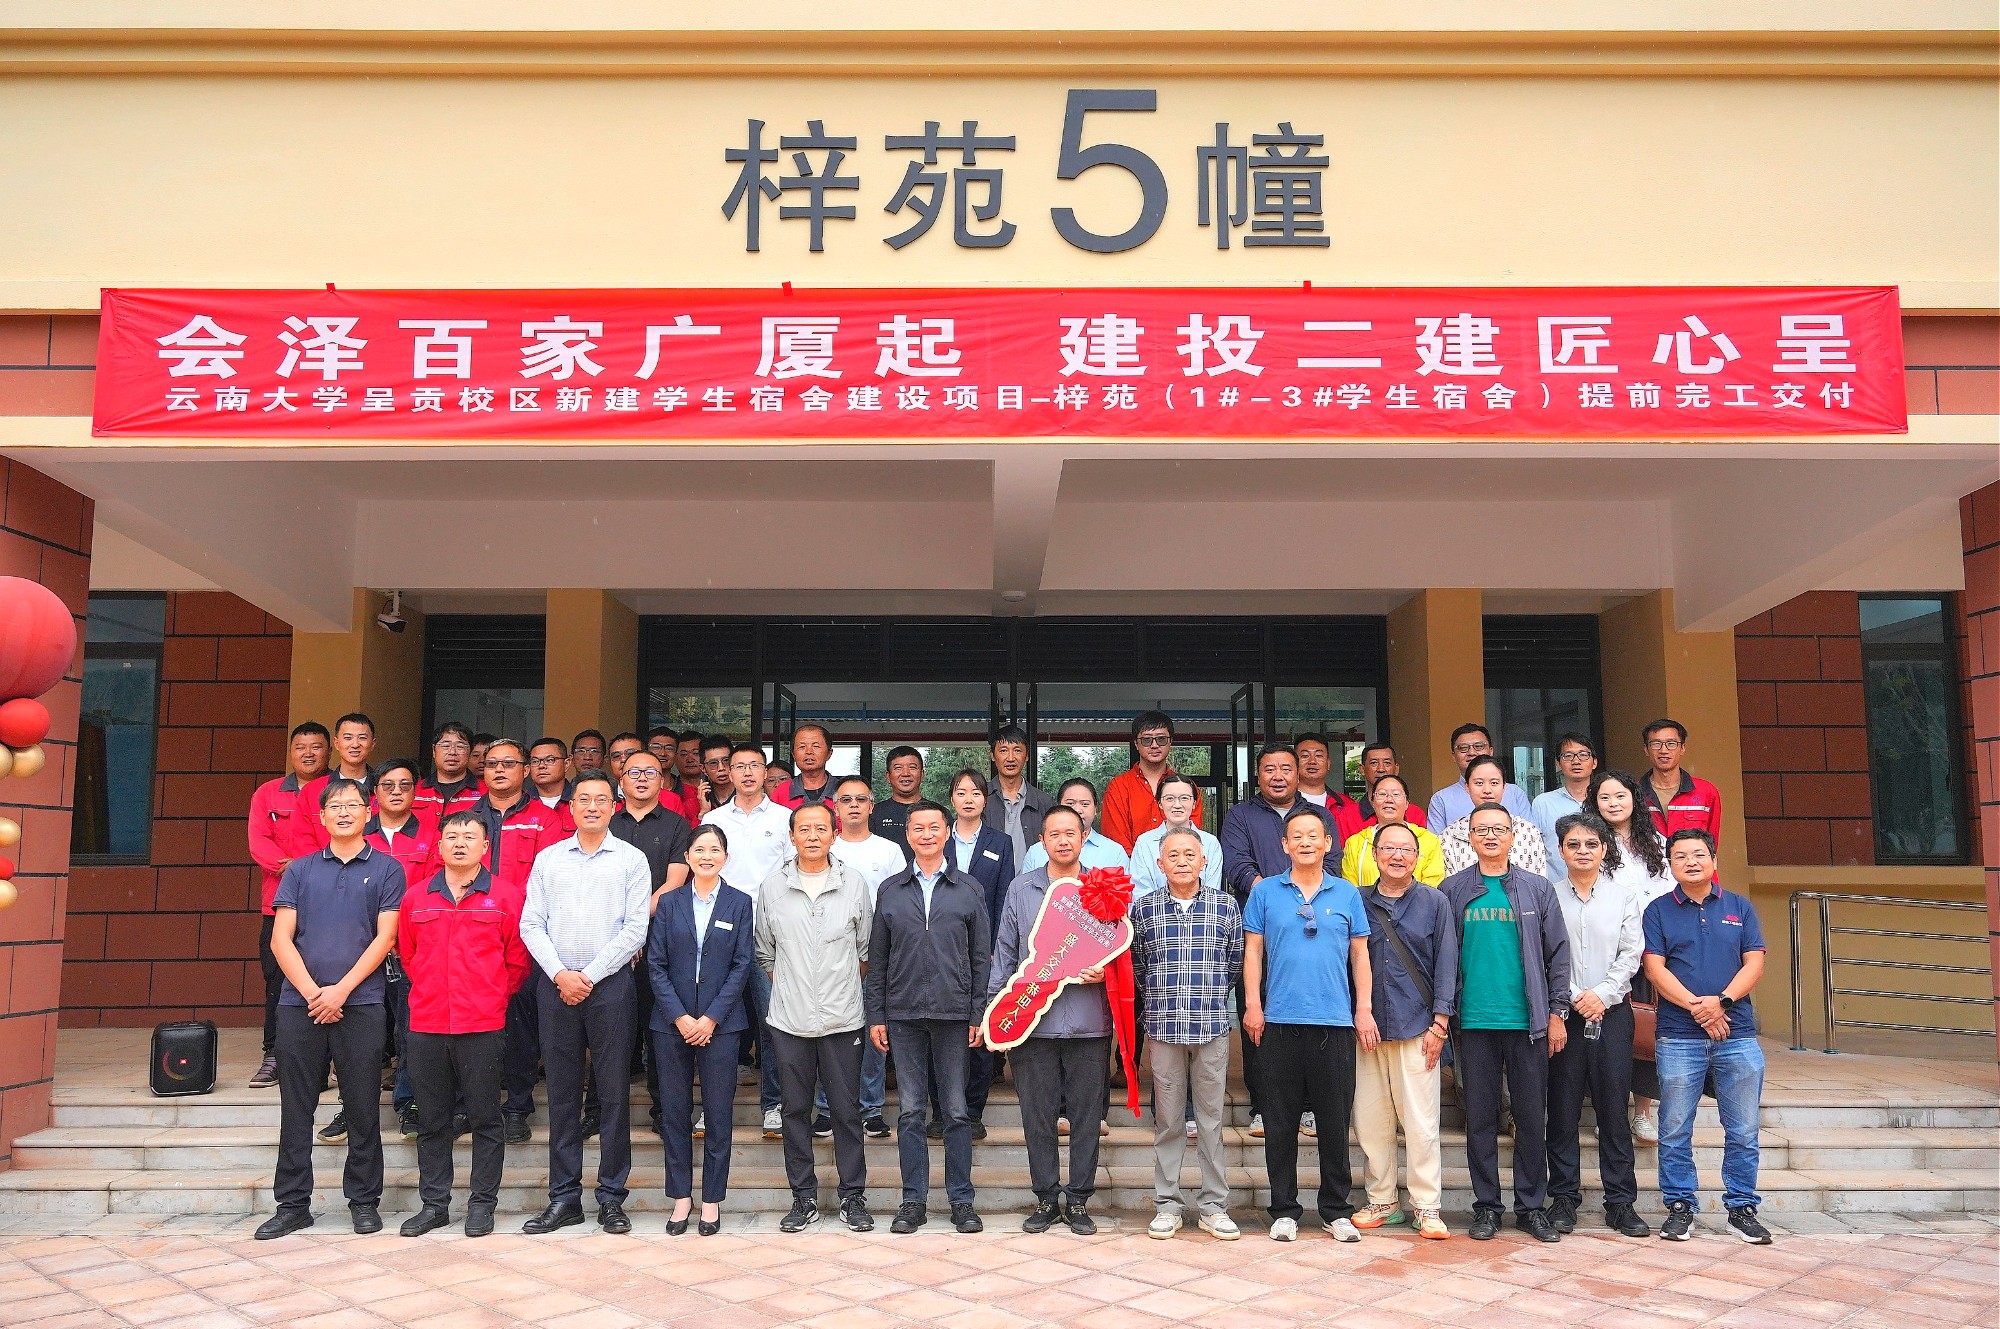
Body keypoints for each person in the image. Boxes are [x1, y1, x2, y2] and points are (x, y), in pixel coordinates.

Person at [255, 778, 405, 1240]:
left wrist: (340, 991)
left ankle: (364, 1201)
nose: (343, 812)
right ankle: (292, 1204)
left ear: (368, 813)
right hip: (298, 1005)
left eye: (352, 805)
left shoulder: (388, 869)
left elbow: (386, 937)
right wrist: (312, 993)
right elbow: (281, 939)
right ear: (321, 817)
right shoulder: (299, 870)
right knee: (296, 1107)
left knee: (362, 1104)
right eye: (334, 806)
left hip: (362, 1003)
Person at [518, 771, 653, 1236]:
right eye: (584, 800)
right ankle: (563, 1197)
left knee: (613, 1093)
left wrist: (589, 975)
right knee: (562, 1094)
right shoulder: (549, 859)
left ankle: (612, 1196)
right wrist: (561, 974)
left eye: (601, 799)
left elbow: (635, 929)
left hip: (610, 987)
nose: (592, 807)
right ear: (571, 807)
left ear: (614, 806)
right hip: (557, 986)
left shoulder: (632, 860)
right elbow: (531, 923)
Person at [395, 809, 532, 1239]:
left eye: (469, 836)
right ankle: (434, 1205)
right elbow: (408, 954)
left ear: (485, 846)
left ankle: (481, 1205)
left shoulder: (506, 896)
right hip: (427, 1022)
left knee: (485, 1118)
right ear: (439, 846)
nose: (459, 843)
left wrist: (490, 996)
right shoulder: (417, 897)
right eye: (451, 836)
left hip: (482, 1023)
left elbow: (517, 961)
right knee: (432, 1120)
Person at [1440, 803, 1572, 1243]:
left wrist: (1557, 1012)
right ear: (1470, 838)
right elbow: (1443, 957)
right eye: (1482, 829)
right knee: (1479, 1119)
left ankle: (1531, 1207)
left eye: (1499, 828)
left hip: (1527, 1022)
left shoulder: (1537, 888)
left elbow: (1557, 956)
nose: (1491, 835)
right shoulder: (1453, 889)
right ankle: (1486, 1207)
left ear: (1513, 836)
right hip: (1473, 1022)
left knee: (1531, 1118)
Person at [1242, 807, 1371, 1242]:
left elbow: (1360, 956)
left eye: (1313, 835)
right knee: (1280, 1122)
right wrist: (1253, 1005)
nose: (1305, 842)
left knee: (1334, 1122)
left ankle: (1336, 1209)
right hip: (1278, 1021)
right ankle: (1284, 1209)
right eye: (1296, 836)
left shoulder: (1347, 893)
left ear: (1328, 843)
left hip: (1334, 1022)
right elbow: (1253, 951)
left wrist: (1364, 1009)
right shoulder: (1265, 892)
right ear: (1284, 844)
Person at [866, 800, 990, 1234]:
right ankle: (913, 1201)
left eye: (934, 827)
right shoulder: (891, 889)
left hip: (954, 1013)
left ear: (946, 832)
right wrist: (876, 1014)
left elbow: (981, 958)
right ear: (907, 835)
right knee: (910, 1111)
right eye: (918, 828)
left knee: (955, 1110)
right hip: (903, 1015)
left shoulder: (968, 888)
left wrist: (978, 1012)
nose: (926, 834)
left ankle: (962, 1201)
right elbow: (878, 959)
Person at [990, 807, 1115, 1235]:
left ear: (1083, 838)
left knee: (1086, 1117)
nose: (1063, 841)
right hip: (1031, 1022)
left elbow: (1123, 950)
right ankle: (1045, 1196)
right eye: (1054, 834)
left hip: (1089, 1022)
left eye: (1070, 833)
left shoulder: (1103, 888)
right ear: (1041, 841)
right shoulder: (1021, 887)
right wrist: (995, 1012)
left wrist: (1107, 973)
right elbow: (1005, 952)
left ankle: (1078, 1199)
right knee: (1037, 1115)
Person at [1644, 828, 1771, 1244]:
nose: (1691, 862)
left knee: (1744, 1130)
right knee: (1674, 1127)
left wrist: (1723, 1002)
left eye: (1699, 854)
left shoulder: (1739, 907)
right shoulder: (1658, 910)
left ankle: (1742, 1208)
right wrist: (1700, 1008)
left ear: (1713, 860)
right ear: (1671, 865)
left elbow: (1754, 963)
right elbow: (1655, 970)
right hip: (1678, 1036)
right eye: (1681, 856)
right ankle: (1680, 1207)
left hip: (1738, 1034)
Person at [756, 802, 876, 1233]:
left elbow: (865, 950)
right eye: (803, 829)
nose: (812, 836)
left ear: (834, 834)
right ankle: (803, 1197)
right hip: (789, 1020)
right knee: (794, 1111)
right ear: (791, 837)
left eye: (820, 828)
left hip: (843, 1018)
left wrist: (836, 987)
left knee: (846, 1111)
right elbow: (765, 951)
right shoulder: (773, 886)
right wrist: (795, 986)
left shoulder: (854, 883)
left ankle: (853, 1196)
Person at [1130, 826, 1243, 1241]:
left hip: (1211, 1026)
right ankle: (1168, 1205)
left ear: (1204, 861)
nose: (1182, 861)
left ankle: (1214, 1206)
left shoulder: (1225, 906)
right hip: (1163, 1027)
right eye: (1173, 856)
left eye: (1189, 855)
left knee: (1210, 1121)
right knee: (1169, 1121)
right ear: (1160, 864)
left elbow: (1234, 963)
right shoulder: (1144, 909)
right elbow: (1139, 966)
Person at [1220, 743, 1335, 1138]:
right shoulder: (1241, 815)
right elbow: (1238, 865)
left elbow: (1331, 864)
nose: (1278, 775)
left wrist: (1299, 901)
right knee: (1258, 1016)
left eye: (1286, 767)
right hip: (1261, 929)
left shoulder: (1319, 815)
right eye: (1270, 769)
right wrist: (1278, 900)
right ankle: (1263, 1106)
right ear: (1258, 775)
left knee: (1309, 1016)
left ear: (1298, 773)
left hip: (1313, 933)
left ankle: (1309, 1106)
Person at [1545, 812, 1651, 1239]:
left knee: (1613, 1108)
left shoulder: (1624, 897)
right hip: (1563, 1015)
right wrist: (1575, 996)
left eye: (1591, 844)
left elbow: (1631, 953)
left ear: (1605, 849)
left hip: (1613, 1013)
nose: (1583, 851)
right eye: (1574, 844)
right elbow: (1546, 952)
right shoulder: (1549, 895)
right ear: (1561, 851)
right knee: (1563, 1108)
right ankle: (1563, 1198)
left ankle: (1620, 1202)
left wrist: (1601, 995)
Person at [648, 823, 755, 1237]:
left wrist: (710, 1018)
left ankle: (711, 1200)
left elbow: (742, 965)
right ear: (687, 857)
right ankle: (681, 1198)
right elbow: (656, 964)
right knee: (675, 1113)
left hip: (722, 1025)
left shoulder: (739, 903)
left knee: (719, 1113)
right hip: (670, 1024)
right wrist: (680, 1017)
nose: (707, 856)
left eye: (714, 850)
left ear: (725, 857)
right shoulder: (669, 902)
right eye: (699, 849)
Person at [1350, 821, 1455, 1240]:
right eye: (1389, 848)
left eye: (1406, 850)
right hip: (1367, 1027)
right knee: (1371, 1120)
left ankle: (1426, 1206)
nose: (1397, 856)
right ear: (1375, 855)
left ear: (1417, 857)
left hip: (1419, 1026)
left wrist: (1441, 1023)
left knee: (1421, 1122)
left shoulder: (1435, 901)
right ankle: (1383, 1201)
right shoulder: (1357, 900)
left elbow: (1447, 963)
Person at [466, 740, 570, 1147]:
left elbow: (549, 880)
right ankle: (471, 1106)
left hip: (523, 937)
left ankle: (517, 1107)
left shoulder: (545, 819)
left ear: (525, 770)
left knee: (520, 1025)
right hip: (470, 936)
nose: (499, 770)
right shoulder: (465, 817)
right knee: (471, 1024)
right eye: (492, 764)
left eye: (508, 763)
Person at [702, 742, 795, 1137]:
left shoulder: (785, 818)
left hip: (769, 933)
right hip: (722, 929)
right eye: (738, 766)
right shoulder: (714, 819)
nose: (746, 773)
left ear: (765, 772)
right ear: (728, 772)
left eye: (754, 765)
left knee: (772, 1021)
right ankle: (712, 1107)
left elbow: (792, 874)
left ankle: (773, 1104)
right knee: (715, 1019)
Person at [608, 751, 693, 1137]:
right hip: (609, 942)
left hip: (661, 940)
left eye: (650, 772)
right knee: (611, 1031)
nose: (642, 778)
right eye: (634, 772)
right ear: (621, 780)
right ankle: (602, 1111)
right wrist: (624, 935)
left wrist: (635, 929)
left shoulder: (677, 825)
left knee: (661, 1028)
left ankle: (664, 1110)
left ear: (662, 780)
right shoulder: (606, 823)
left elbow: (675, 882)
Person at [1591, 768, 1676, 1144]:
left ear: (1634, 799)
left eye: (1620, 796)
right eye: (1604, 797)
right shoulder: (1590, 842)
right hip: (1604, 953)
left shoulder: (1656, 842)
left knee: (1644, 1032)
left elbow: (1669, 894)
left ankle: (1643, 1113)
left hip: (1648, 952)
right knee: (1606, 1037)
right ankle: (1608, 1113)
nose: (1613, 803)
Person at [246, 720, 330, 1088]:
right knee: (277, 979)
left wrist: (304, 865)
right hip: (279, 904)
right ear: (291, 752)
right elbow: (259, 843)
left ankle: (327, 1059)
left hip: (330, 903)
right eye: (300, 747)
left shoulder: (338, 791)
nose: (308, 753)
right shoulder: (268, 794)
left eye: (316, 746)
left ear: (329, 751)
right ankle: (274, 1054)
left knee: (330, 976)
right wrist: (302, 867)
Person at [363, 759, 438, 1141]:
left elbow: (430, 893)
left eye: (405, 785)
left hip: (411, 950)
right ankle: (352, 1106)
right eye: (387, 785)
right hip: (360, 951)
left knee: (409, 1030)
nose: (396, 791)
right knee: (362, 1032)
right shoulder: (357, 834)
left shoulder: (432, 835)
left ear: (416, 792)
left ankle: (409, 1102)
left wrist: (397, 936)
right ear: (374, 793)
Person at [944, 769, 1015, 1138]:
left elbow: (1004, 898)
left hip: (984, 954)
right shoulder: (938, 837)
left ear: (986, 799)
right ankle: (943, 1111)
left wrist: (995, 949)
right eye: (961, 792)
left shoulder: (1000, 842)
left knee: (982, 1031)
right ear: (951, 799)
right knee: (943, 1031)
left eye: (975, 792)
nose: (968, 798)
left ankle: (973, 1112)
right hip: (941, 950)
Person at [1101, 710, 1204, 852]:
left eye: (1161, 739)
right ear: (1136, 743)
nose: (1154, 745)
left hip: (1179, 863)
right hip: (1132, 865)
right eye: (1146, 740)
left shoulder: (1187, 787)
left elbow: (1191, 835)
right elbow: (1116, 842)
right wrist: (1142, 862)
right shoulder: (1119, 787)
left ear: (1170, 741)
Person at [1439, 755, 1550, 878]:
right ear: (1467, 787)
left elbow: (1539, 883)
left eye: (1494, 783)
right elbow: (1450, 886)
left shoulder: (1528, 831)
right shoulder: (1450, 835)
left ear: (1504, 787)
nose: (1487, 790)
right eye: (1479, 783)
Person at [1339, 774, 1446, 888]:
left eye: (1396, 794)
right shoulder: (1355, 843)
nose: (1389, 800)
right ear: (1373, 802)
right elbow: (1350, 890)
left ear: (1407, 803)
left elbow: (1432, 887)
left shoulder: (1428, 840)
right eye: (1382, 794)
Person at [1425, 723, 1535, 830]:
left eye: (1478, 746)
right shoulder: (1441, 799)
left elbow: (1531, 835)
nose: (1471, 752)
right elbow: (1435, 841)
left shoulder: (1515, 793)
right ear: (1454, 755)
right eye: (1463, 748)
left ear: (1491, 751)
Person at [1130, 772, 1223, 897]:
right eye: (1169, 798)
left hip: (1203, 910)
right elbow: (1141, 892)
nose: (1177, 805)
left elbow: (1212, 893)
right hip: (1154, 909)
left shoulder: (1210, 843)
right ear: (1160, 803)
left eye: (1184, 798)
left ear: (1194, 803)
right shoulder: (1144, 843)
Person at [1020, 778, 1133, 874]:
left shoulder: (1114, 852)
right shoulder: (1036, 852)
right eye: (1070, 803)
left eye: (1085, 804)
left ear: (1096, 809)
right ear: (1059, 806)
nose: (1078, 810)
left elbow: (1123, 892)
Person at [1639, 719, 1724, 845]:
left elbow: (1711, 845)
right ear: (1646, 749)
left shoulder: (1706, 792)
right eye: (1656, 744)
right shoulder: (1633, 793)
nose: (1663, 750)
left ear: (1683, 748)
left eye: (1671, 744)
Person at [984, 723, 1055, 871]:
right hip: (989, 882)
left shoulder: (1044, 802)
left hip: (1034, 882)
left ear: (1027, 756)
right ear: (992, 756)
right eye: (1003, 750)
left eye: (1017, 750)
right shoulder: (981, 798)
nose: (1010, 758)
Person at [1531, 733, 1599, 852]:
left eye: (1583, 755)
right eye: (1568, 756)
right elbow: (1534, 847)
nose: (1576, 761)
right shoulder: (1543, 803)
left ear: (1594, 763)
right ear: (1558, 764)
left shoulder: (1605, 801)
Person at [1293, 733, 1366, 844]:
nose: (1312, 761)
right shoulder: (1284, 803)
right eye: (1305, 756)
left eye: (1319, 756)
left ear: (1328, 764)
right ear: (1294, 763)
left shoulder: (1346, 804)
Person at [414, 722, 478, 821]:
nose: (452, 752)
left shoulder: (486, 792)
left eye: (460, 746)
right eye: (445, 746)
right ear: (434, 751)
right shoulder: (415, 791)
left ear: (470, 752)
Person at [870, 745, 927, 848]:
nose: (905, 773)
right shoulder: (873, 813)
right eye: (898, 768)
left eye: (912, 767)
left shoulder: (938, 812)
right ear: (888, 777)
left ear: (922, 775)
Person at [772, 723, 839, 807]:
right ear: (793, 755)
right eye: (802, 747)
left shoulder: (843, 790)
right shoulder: (782, 791)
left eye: (816, 746)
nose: (809, 752)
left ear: (829, 753)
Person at [1358, 743, 1426, 827]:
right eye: (1374, 763)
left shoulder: (1415, 813)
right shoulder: (1347, 816)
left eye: (1387, 763)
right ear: (1362, 769)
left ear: (1396, 769)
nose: (1381, 769)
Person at [527, 737, 577, 836]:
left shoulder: (581, 801)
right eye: (535, 761)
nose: (541, 766)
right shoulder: (521, 804)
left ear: (566, 764)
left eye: (549, 760)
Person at [697, 734, 735, 816]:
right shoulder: (695, 802)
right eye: (713, 763)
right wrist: (704, 812)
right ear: (703, 769)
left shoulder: (747, 796)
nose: (721, 768)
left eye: (726, 760)